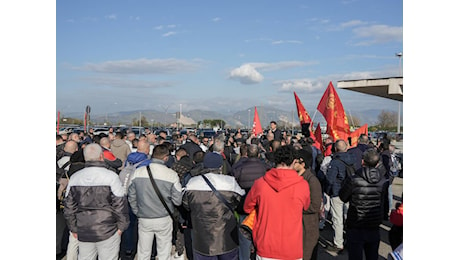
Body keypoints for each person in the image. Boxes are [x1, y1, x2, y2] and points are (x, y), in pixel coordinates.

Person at [63, 143, 129, 260]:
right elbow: (120, 205)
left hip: (84, 228)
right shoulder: (111, 177)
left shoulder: (75, 178)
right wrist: (121, 227)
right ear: (101, 156)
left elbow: (69, 207)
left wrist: (73, 227)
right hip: (108, 229)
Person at [244, 145, 311, 260]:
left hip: (265, 246)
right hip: (292, 248)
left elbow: (247, 208)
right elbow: (306, 206)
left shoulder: (260, 184)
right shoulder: (302, 185)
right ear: (294, 161)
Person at [182, 152, 245, 260]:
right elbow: (240, 201)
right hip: (226, 237)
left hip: (202, 237)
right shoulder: (230, 182)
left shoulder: (192, 183)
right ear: (221, 166)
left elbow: (186, 205)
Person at [128, 144, 183, 260]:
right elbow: (177, 201)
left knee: (143, 251)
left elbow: (131, 195)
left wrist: (136, 211)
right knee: (164, 252)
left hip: (144, 217)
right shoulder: (172, 175)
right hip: (164, 217)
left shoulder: (138, 172)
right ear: (166, 158)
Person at [339, 148, 388, 260]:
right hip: (373, 223)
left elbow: (343, 197)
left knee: (355, 256)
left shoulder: (354, 179)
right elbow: (384, 202)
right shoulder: (383, 181)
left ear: (362, 162)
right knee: (372, 255)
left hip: (356, 223)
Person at [232, 144, 270, 260]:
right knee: (261, 235)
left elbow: (233, 185)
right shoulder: (265, 168)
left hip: (244, 206)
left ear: (246, 154)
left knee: (244, 239)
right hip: (261, 207)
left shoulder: (239, 168)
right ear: (258, 154)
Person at [120, 140, 152, 260]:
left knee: (129, 224)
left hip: (125, 194)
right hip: (140, 197)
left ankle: (128, 248)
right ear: (147, 150)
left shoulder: (129, 160)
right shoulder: (147, 162)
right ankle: (143, 249)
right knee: (143, 225)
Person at [325, 139, 355, 253]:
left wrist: (328, 192)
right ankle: (349, 239)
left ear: (336, 149)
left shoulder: (335, 162)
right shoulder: (353, 159)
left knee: (337, 220)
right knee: (348, 217)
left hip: (337, 193)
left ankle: (338, 243)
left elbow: (330, 179)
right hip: (350, 192)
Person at [294, 149, 322, 260]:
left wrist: (296, 208)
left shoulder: (312, 180)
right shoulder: (296, 178)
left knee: (307, 255)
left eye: (295, 162)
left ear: (303, 164)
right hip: (298, 225)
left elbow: (315, 205)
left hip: (308, 226)